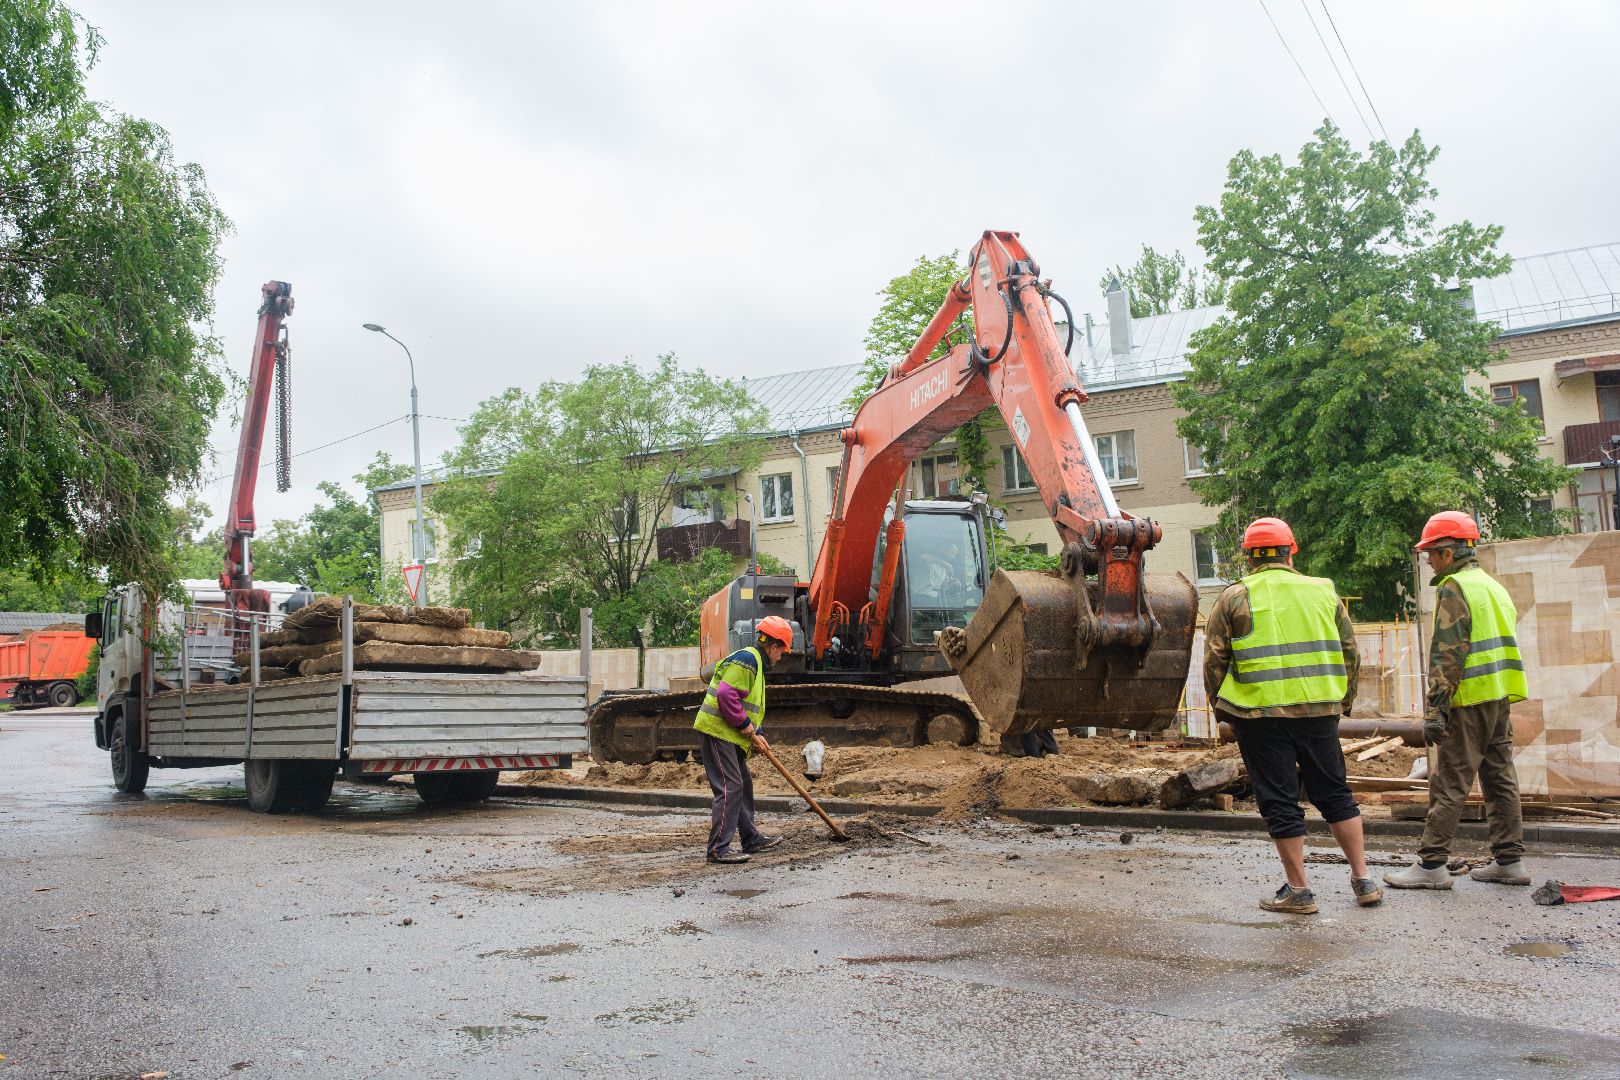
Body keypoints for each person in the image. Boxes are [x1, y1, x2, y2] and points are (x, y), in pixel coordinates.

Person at [1205, 517, 1379, 914]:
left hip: (1258, 714)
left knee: (1280, 799)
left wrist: (1223, 710)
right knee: (1335, 792)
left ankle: (1299, 890)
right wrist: (1343, 701)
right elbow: (1350, 651)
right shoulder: (1324, 591)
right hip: (1319, 710)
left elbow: (1214, 659)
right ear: (1291, 552)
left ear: (1249, 557)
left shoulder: (1235, 597)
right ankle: (1363, 878)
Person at [1385, 511, 1530, 890]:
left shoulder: (1454, 588)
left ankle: (1432, 865)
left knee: (1449, 780)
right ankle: (1510, 862)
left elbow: (1447, 654)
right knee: (1500, 779)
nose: (1428, 561)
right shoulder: (1492, 586)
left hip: (1468, 700)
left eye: (1430, 553)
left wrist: (1436, 710)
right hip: (1498, 697)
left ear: (1448, 553)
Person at [693, 615, 793, 864]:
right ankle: (718, 849)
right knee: (730, 786)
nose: (781, 658)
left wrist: (756, 732)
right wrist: (746, 727)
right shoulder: (749, 658)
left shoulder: (755, 662)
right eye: (782, 651)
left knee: (743, 784)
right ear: (773, 646)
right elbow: (727, 696)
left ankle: (751, 838)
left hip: (731, 734)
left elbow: (746, 705)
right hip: (718, 732)